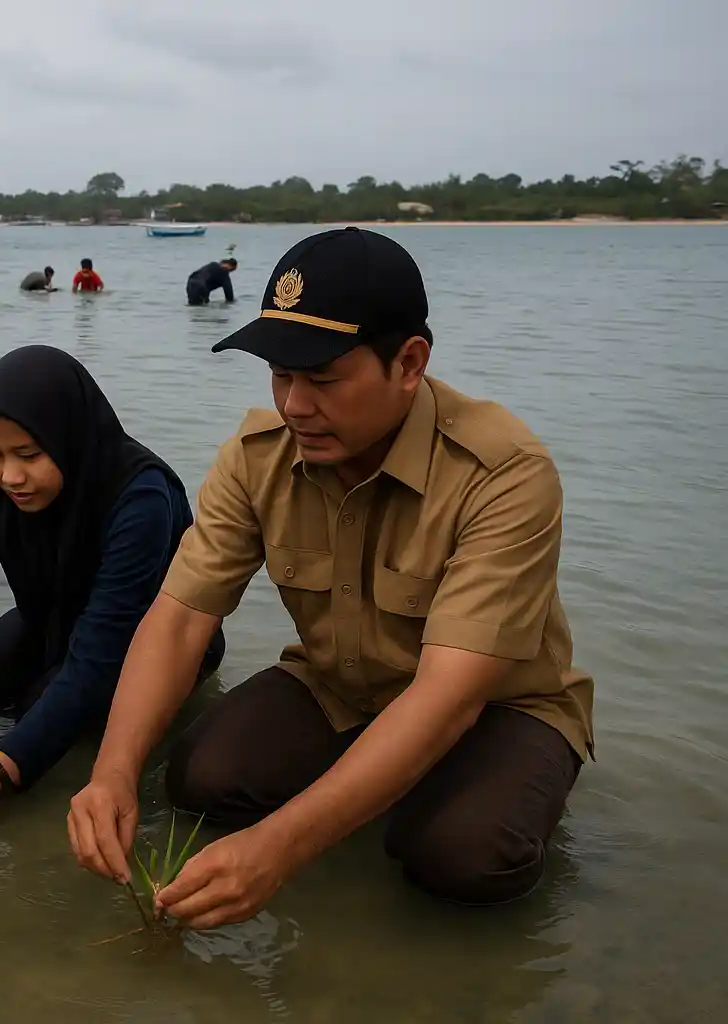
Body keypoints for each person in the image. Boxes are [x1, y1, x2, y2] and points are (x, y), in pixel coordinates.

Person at [67, 227, 594, 925]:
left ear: (408, 363)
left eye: (321, 379)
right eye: (280, 375)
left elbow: (448, 697)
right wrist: (111, 774)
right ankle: (375, 788)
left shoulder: (504, 474)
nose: (293, 405)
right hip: (341, 686)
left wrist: (277, 850)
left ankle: (447, 797)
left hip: (498, 709)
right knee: (201, 781)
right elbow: (180, 619)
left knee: (459, 857)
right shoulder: (256, 457)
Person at [0, 346, 224, 832]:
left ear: (67, 439)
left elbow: (99, 656)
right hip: (48, 617)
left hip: (143, 641)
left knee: (37, 711)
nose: (10, 477)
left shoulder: (140, 497)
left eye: (28, 455)